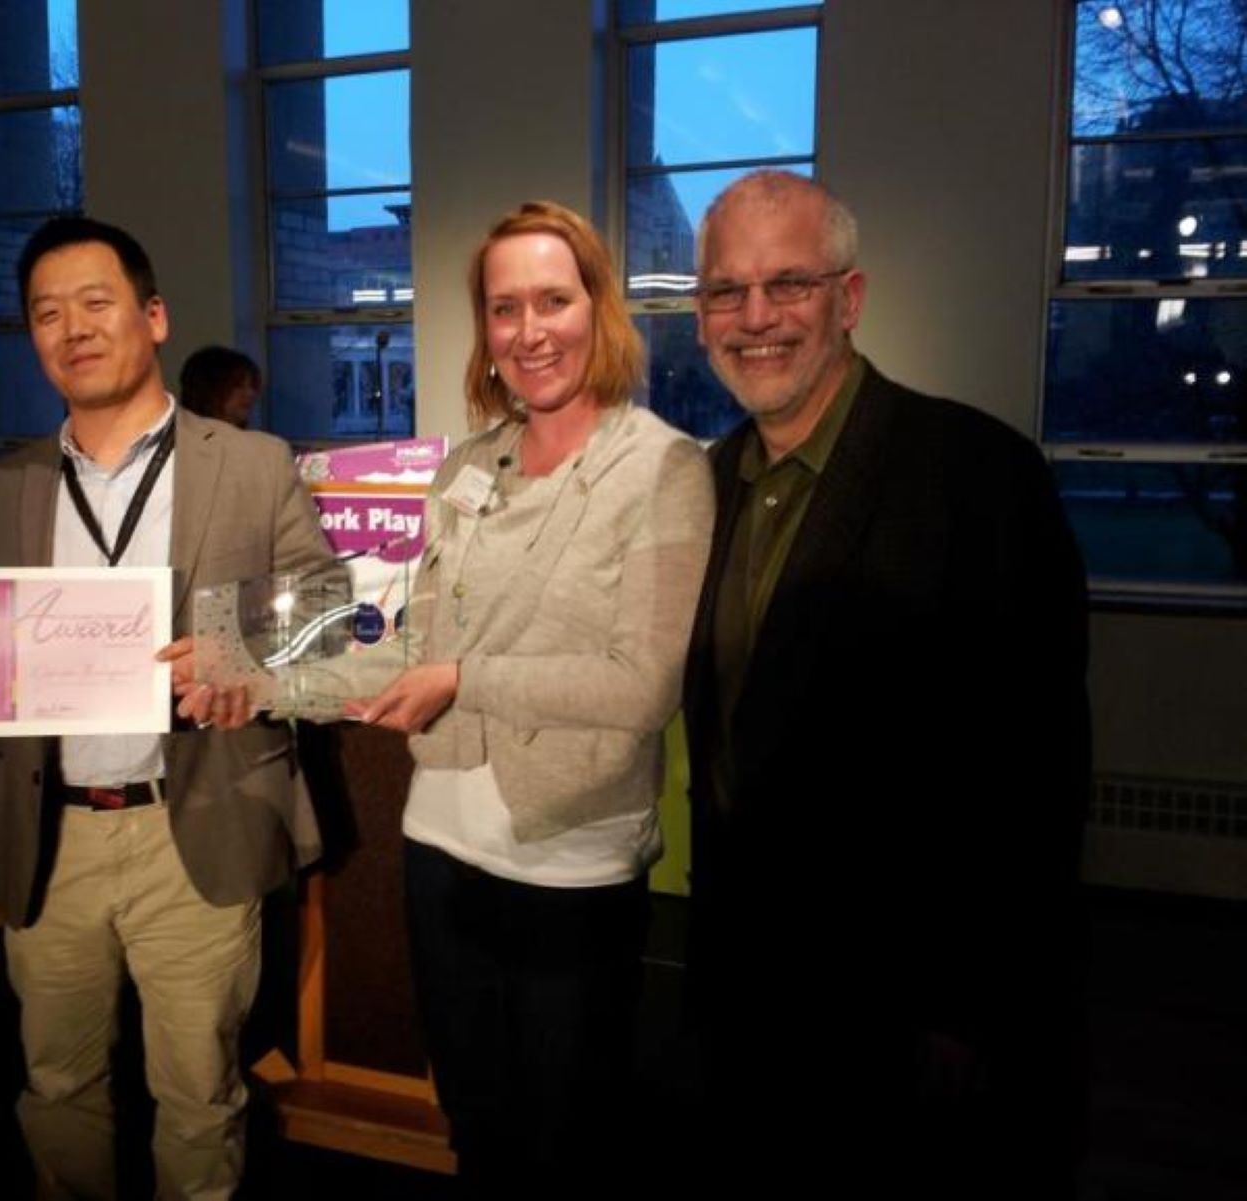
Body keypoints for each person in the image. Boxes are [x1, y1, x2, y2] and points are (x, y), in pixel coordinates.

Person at [0, 216, 335, 1201]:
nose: (72, 328)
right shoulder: (1, 484)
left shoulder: (251, 463)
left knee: (200, 1091)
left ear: (153, 316)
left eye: (96, 302)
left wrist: (232, 657)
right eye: (46, 313)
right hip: (51, 834)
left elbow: (329, 612)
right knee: (55, 1082)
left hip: (198, 824)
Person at [681, 170, 1090, 1196]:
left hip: (902, 1000)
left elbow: (1033, 768)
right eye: (727, 291)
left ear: (849, 299)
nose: (757, 317)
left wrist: (968, 1006)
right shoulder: (703, 485)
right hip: (745, 982)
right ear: (699, 317)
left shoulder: (976, 475)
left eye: (789, 283)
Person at [315, 200, 714, 1194]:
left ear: (599, 309)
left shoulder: (661, 468)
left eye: (552, 300)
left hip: (568, 865)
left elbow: (642, 685)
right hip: (440, 849)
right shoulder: (468, 465)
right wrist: (251, 676)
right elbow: (414, 640)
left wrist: (465, 679)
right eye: (504, 308)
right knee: (476, 1124)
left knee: (564, 1145)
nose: (529, 331)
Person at [178, 344, 261, 428]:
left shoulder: (255, 439)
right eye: (237, 385)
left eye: (252, 386)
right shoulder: (176, 435)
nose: (250, 393)